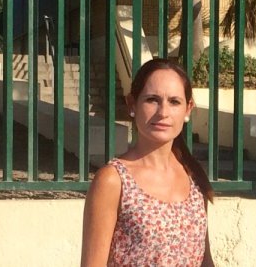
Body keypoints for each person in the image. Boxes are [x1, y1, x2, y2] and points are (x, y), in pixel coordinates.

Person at [81, 58, 215, 267]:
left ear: (188, 109)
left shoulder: (193, 176)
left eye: (174, 101)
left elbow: (205, 260)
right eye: (152, 100)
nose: (163, 112)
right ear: (132, 104)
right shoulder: (113, 181)